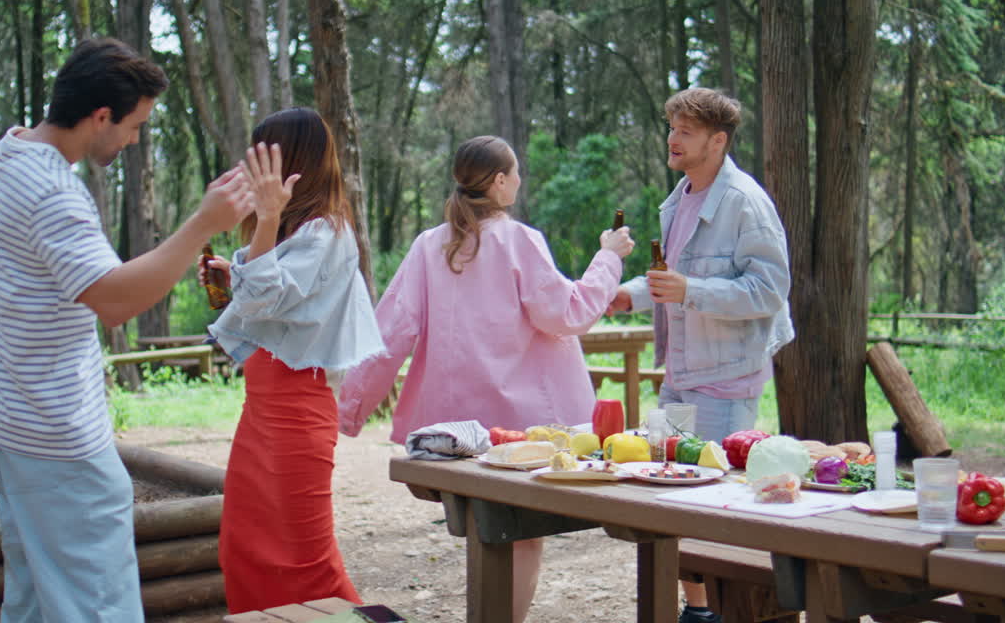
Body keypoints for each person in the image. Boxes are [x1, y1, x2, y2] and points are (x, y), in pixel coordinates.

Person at [0, 37, 254, 623]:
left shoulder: (10, 151)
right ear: (100, 116)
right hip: (52, 427)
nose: (135, 138)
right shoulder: (53, 193)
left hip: (5, 414)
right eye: (134, 124)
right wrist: (202, 225)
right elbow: (117, 300)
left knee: (37, 589)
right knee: (95, 599)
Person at [337, 135, 635, 623]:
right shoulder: (518, 239)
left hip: (454, 433)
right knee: (519, 535)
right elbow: (568, 313)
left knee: (486, 530)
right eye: (515, 173)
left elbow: (389, 332)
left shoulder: (429, 245)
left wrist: (349, 410)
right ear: (499, 182)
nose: (520, 181)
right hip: (522, 432)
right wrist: (608, 256)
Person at [609, 87, 794, 623]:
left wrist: (688, 290)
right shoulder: (682, 197)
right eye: (671, 127)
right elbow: (672, 280)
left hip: (728, 377)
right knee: (672, 493)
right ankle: (698, 611)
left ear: (718, 140)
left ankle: (729, 609)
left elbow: (768, 292)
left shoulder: (745, 202)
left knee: (715, 504)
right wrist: (629, 295)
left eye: (685, 131)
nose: (672, 138)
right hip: (681, 374)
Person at [203, 107, 385, 614]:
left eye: (265, 158)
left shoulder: (327, 230)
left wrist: (263, 222)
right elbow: (269, 308)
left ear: (295, 162)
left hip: (298, 411)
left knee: (306, 561)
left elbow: (266, 298)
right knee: (243, 547)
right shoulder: (294, 230)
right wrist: (229, 280)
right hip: (259, 410)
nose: (254, 170)